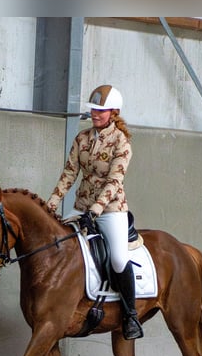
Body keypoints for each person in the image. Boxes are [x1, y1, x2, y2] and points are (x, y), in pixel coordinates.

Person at [46, 84, 143, 340]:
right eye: (93, 111)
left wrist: (96, 210)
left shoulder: (121, 143)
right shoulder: (82, 138)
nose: (95, 115)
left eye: (101, 111)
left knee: (119, 259)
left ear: (114, 112)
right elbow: (69, 173)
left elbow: (114, 181)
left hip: (111, 210)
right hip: (81, 207)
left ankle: (131, 315)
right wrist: (52, 203)